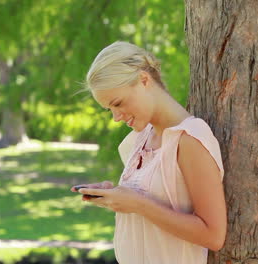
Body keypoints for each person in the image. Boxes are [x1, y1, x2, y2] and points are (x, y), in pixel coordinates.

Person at [70, 41, 227, 264]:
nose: (116, 117)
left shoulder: (189, 139)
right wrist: (115, 195)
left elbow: (213, 235)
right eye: (109, 109)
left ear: (144, 80)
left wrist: (138, 204)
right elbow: (151, 200)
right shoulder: (141, 138)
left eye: (118, 103)